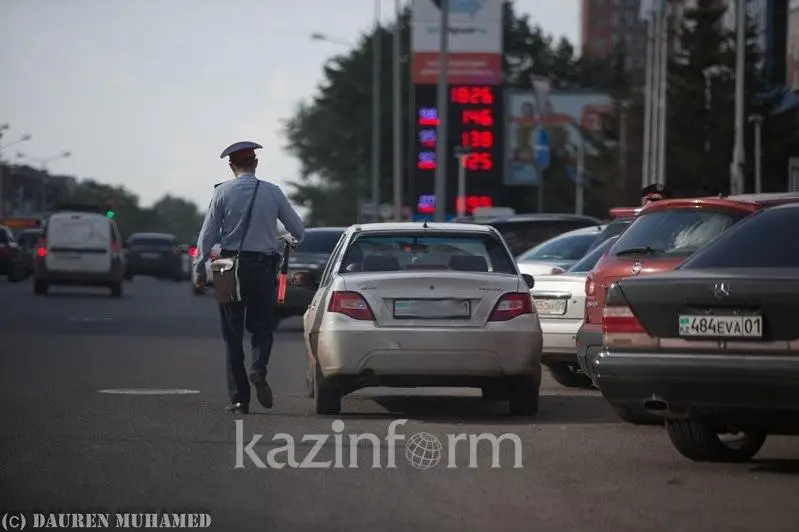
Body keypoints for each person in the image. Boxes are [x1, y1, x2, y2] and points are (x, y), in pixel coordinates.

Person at [194, 141, 305, 415]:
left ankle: (240, 399)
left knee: (232, 334)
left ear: (232, 166)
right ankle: (258, 369)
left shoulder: (222, 193)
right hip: (262, 266)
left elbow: (207, 234)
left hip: (228, 267)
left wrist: (198, 268)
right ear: (256, 163)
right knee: (262, 326)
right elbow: (298, 230)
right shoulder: (272, 192)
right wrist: (286, 238)